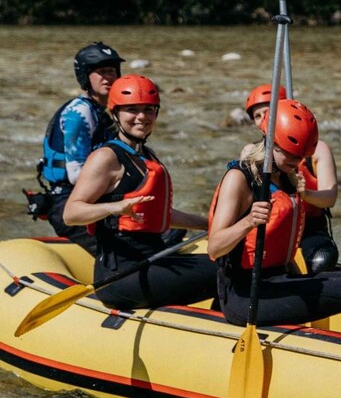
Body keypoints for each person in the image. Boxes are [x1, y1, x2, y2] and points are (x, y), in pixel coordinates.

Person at [208, 99, 341, 334]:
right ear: (270, 142)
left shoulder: (286, 177)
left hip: (279, 281)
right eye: (289, 154)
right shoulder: (240, 178)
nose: (296, 162)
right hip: (246, 294)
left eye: (300, 156)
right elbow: (214, 248)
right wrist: (248, 222)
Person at [63, 74, 218, 310]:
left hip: (154, 260)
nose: (142, 117)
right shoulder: (106, 158)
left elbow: (161, 214)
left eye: (149, 110)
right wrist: (115, 208)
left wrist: (210, 224)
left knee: (232, 260)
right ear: (115, 113)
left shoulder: (147, 155)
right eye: (132, 110)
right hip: (121, 275)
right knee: (229, 270)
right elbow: (71, 213)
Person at [36, 42, 124, 254]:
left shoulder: (102, 111)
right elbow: (77, 175)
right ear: (86, 77)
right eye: (101, 72)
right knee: (130, 249)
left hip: (93, 198)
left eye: (112, 71)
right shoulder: (79, 113)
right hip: (69, 204)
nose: (108, 78)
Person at [241, 84, 339, 273]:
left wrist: (305, 193)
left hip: (309, 230)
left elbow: (330, 198)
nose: (263, 121)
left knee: (322, 260)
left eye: (267, 113)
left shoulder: (317, 150)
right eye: (257, 116)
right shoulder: (250, 153)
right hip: (272, 227)